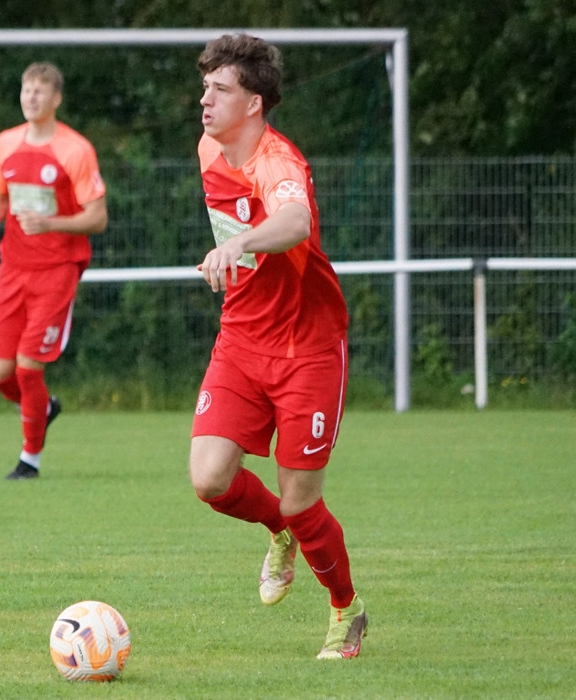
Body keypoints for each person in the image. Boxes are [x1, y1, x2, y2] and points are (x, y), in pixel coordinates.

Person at [189, 33, 366, 659]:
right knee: (209, 479)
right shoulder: (209, 148)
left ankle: (346, 609)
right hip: (240, 340)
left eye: (220, 89)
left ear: (254, 103)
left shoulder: (277, 162)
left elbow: (294, 222)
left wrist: (239, 244)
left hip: (307, 347)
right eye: (205, 86)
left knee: (302, 499)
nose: (205, 99)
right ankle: (278, 530)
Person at [0, 62, 108, 480]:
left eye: (39, 91)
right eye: (26, 90)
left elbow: (98, 217)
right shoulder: (6, 142)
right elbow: (1, 193)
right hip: (13, 268)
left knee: (28, 367)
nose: (31, 97)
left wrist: (50, 224)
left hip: (56, 270)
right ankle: (42, 408)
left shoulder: (75, 150)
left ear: (56, 99)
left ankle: (29, 459)